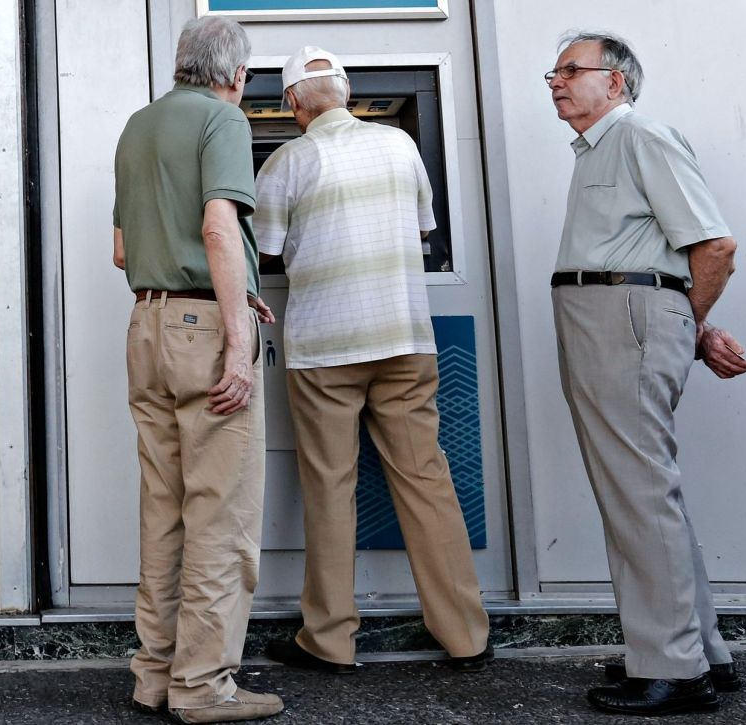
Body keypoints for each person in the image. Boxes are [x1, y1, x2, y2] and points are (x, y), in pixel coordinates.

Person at [253, 46, 492, 676]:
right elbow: (421, 228)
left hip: (326, 348)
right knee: (426, 479)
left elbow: (267, 252)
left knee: (330, 486)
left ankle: (328, 639)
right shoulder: (399, 145)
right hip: (405, 338)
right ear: (347, 89)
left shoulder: (286, 159)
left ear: (290, 103)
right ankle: (465, 634)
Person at [545, 31, 746, 716]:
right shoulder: (602, 148)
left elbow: (715, 245)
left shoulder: (641, 136)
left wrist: (685, 322)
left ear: (617, 82)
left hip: (623, 316)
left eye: (572, 70)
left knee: (640, 493)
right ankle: (699, 650)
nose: (556, 80)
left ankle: (674, 667)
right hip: (609, 314)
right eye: (554, 71)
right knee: (644, 492)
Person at [111, 15, 281, 724]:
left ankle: (154, 674)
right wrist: (236, 337)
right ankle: (205, 685)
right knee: (221, 512)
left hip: (146, 325)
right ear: (235, 76)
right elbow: (219, 226)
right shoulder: (224, 122)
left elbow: (122, 250)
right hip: (200, 323)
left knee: (165, 509)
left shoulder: (138, 125)